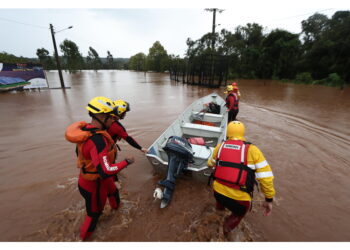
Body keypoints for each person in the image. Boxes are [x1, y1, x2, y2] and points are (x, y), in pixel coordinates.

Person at [65, 96, 135, 240]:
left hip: (98, 179)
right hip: (93, 184)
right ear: (101, 116)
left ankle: (117, 213)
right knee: (94, 215)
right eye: (111, 117)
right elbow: (105, 170)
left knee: (114, 193)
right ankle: (82, 240)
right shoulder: (97, 140)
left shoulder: (87, 130)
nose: (113, 120)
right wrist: (126, 162)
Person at [207, 121, 275, 236]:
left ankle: (218, 214)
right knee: (238, 215)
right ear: (243, 132)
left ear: (228, 132)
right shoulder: (253, 150)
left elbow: (210, 164)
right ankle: (223, 233)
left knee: (220, 206)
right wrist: (268, 199)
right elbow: (266, 178)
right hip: (240, 199)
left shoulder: (220, 146)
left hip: (218, 192)